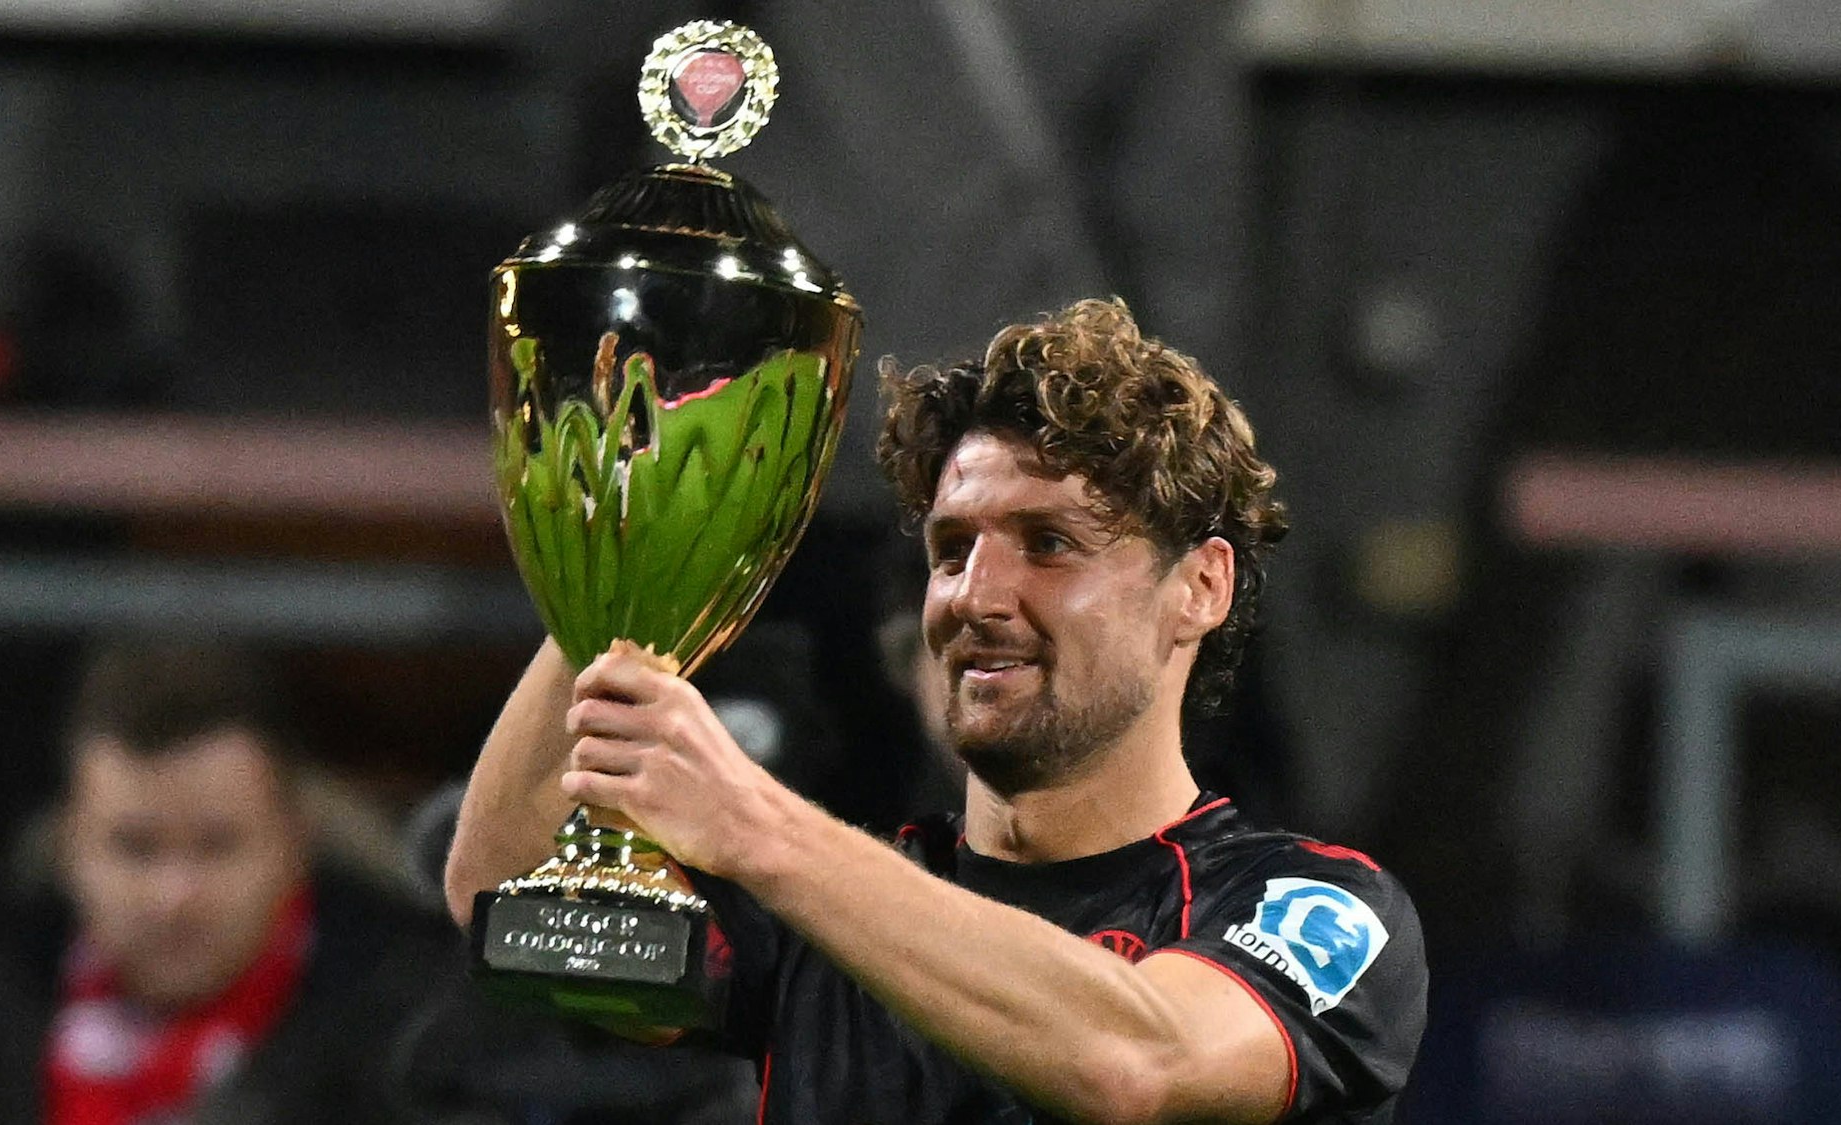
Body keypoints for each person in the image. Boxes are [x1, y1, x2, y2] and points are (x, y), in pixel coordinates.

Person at [444, 298, 1427, 1123]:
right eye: (952, 548)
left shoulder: (1318, 910)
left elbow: (1133, 1062)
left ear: (1199, 588)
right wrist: (619, 579)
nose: (974, 594)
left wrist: (755, 825)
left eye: (1047, 543)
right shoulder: (808, 928)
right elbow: (505, 912)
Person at [0, 639, 463, 1125]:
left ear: (295, 842)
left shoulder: (415, 1041)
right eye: (135, 847)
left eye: (217, 845)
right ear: (68, 845)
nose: (174, 898)